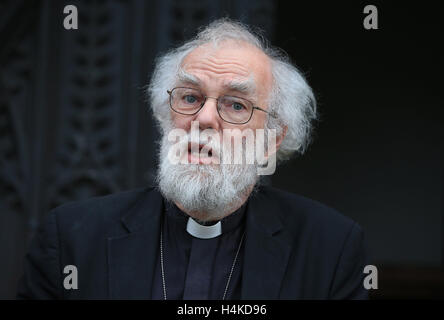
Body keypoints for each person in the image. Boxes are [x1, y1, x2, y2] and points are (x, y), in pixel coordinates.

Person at [17, 18, 368, 299]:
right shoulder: (72, 241)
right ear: (166, 116)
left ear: (270, 141)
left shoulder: (330, 249)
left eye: (235, 104)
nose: (203, 119)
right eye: (189, 98)